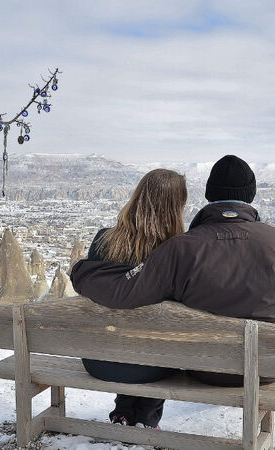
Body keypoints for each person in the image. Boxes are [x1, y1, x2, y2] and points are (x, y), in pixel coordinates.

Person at [71, 155, 275, 391]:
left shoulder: (181, 248)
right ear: (251, 195)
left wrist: (83, 271)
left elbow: (126, 292)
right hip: (269, 367)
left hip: (206, 368)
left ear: (209, 194)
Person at [79, 168, 189, 429]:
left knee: (125, 333)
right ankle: (147, 419)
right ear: (176, 207)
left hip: (99, 361)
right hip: (152, 367)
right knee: (160, 342)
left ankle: (124, 412)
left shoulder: (102, 241)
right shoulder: (178, 251)